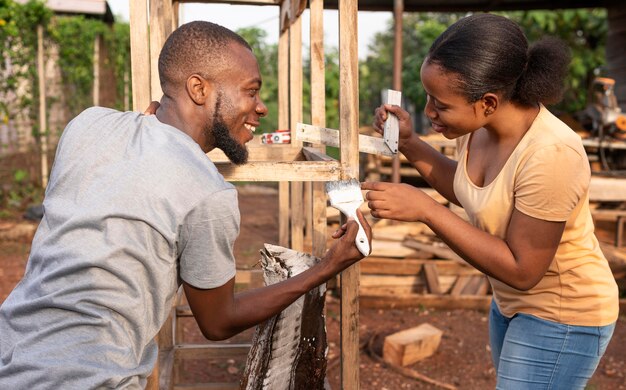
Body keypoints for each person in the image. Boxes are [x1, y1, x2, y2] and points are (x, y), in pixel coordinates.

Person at [0, 21, 371, 388]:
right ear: (198, 88)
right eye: (251, 91)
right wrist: (328, 266)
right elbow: (218, 321)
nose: (261, 108)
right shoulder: (207, 191)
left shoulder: (87, 125)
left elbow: (131, 168)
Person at [363, 13, 618, 390]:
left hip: (564, 314)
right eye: (428, 98)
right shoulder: (479, 129)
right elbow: (466, 187)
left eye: (441, 105)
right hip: (510, 304)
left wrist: (426, 211)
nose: (430, 111)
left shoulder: (552, 154)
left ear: (488, 102)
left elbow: (522, 270)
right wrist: (411, 143)